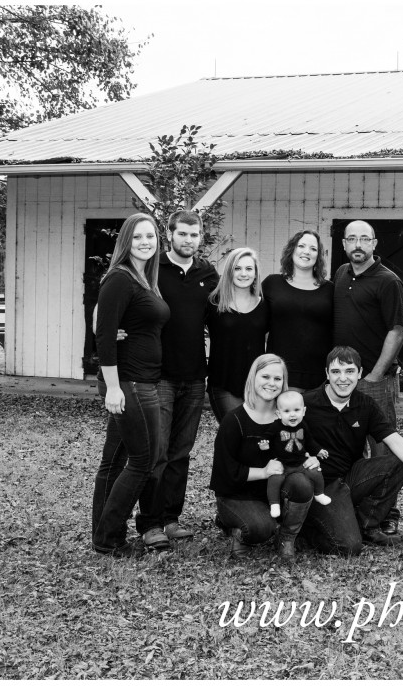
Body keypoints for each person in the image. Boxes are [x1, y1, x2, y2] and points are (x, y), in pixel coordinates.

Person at [300, 347, 403, 555]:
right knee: (348, 547)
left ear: (360, 373)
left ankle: (366, 526)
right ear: (327, 374)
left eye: (349, 371)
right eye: (336, 372)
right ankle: (307, 532)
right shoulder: (306, 404)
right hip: (321, 486)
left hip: (351, 477)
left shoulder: (365, 405)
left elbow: (396, 441)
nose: (342, 378)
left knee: (397, 463)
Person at [137, 210, 219, 550]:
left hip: (194, 378)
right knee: (157, 452)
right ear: (169, 234)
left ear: (200, 237)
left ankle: (171, 519)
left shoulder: (207, 273)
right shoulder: (153, 270)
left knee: (181, 453)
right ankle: (150, 523)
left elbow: (223, 316)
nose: (188, 240)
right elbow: (124, 304)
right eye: (182, 234)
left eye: (194, 234)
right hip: (160, 378)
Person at [92, 213, 170, 557]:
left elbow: (107, 320)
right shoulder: (121, 278)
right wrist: (113, 387)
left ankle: (101, 534)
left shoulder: (142, 278)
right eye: (137, 236)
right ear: (126, 241)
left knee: (114, 461)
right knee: (144, 460)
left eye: (150, 236)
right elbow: (105, 335)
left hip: (140, 379)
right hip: (130, 383)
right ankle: (110, 537)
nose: (144, 242)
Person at [332, 219, 403, 535]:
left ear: (375, 244)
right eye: (352, 239)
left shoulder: (388, 281)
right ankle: (352, 506)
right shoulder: (340, 275)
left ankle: (384, 514)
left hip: (375, 380)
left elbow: (397, 330)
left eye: (365, 239)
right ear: (344, 245)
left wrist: (374, 375)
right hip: (341, 379)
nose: (358, 244)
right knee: (347, 444)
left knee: (381, 448)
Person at [210, 354, 314, 559]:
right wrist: (264, 472)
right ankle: (236, 528)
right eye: (265, 376)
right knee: (260, 528)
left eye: (278, 378)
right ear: (253, 378)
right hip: (237, 495)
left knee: (302, 483)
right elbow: (224, 473)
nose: (271, 383)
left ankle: (286, 538)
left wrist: (310, 458)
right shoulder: (234, 420)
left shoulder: (289, 418)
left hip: (273, 493)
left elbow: (301, 449)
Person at [263, 230, 334, 391]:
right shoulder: (272, 283)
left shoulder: (330, 289)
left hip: (319, 375)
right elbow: (258, 325)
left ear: (319, 256)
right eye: (301, 245)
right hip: (280, 374)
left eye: (313, 248)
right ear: (292, 249)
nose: (306, 251)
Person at [206, 247, 269, 422]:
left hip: (257, 385)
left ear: (256, 273)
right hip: (223, 382)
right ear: (229, 272)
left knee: (253, 439)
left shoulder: (265, 305)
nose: (243, 273)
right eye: (237, 268)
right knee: (236, 430)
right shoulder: (214, 303)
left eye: (249, 269)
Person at [268, 390, 331, 517]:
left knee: (316, 472)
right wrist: (264, 446)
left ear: (304, 411)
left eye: (296, 410)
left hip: (301, 462)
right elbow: (267, 439)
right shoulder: (275, 427)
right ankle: (274, 504)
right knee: (274, 480)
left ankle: (319, 494)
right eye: (286, 411)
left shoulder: (303, 425)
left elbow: (310, 441)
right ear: (278, 414)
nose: (292, 415)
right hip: (282, 464)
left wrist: (318, 450)